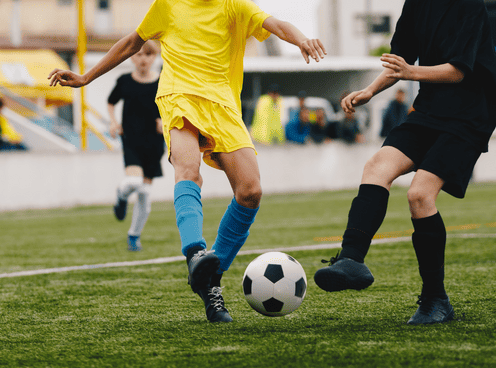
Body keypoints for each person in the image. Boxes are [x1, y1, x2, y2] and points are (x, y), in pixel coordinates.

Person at [49, 0, 325, 323]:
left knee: (250, 191)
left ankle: (210, 277)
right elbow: (130, 42)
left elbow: (275, 24)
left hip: (223, 104)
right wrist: (86, 77)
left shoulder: (234, 6)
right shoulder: (168, 5)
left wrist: (302, 39)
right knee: (188, 169)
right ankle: (195, 254)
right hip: (178, 96)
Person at [313, 0, 496, 325]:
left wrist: (410, 72)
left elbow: (457, 71)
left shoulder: (469, 5)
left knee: (419, 195)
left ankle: (435, 301)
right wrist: (370, 90)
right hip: (430, 111)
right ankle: (352, 260)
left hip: (469, 117)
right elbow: (399, 63)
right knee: (376, 167)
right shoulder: (415, 3)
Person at [107, 40, 165, 252]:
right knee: (133, 181)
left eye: (148, 55)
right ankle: (121, 196)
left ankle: (134, 236)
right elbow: (111, 101)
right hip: (131, 140)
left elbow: (172, 105)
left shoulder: (163, 82)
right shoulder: (124, 81)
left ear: (154, 57)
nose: (143, 59)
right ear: (132, 57)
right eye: (139, 55)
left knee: (144, 195)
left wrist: (164, 121)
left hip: (155, 143)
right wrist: (113, 122)